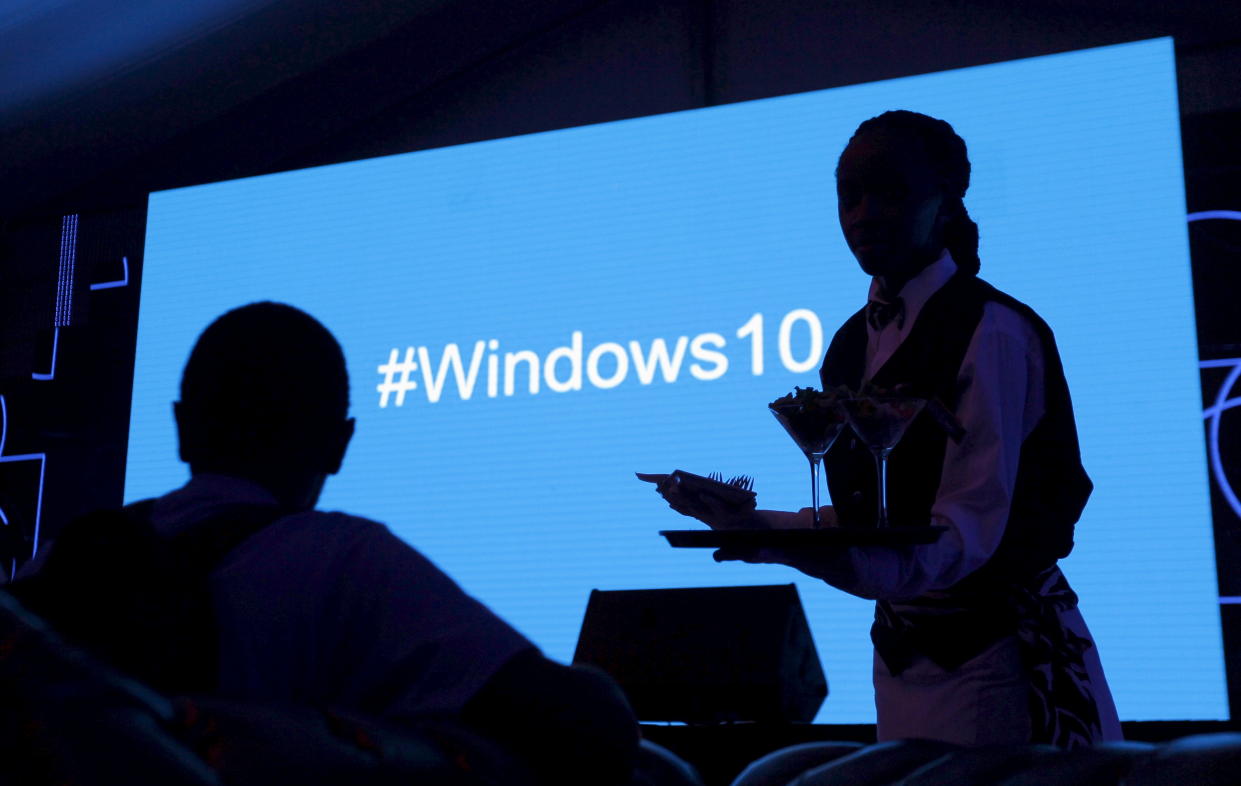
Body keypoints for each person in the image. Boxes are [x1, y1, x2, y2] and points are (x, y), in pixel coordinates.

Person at [25, 302, 638, 784]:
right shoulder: (346, 560)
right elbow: (588, 725)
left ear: (183, 428)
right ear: (340, 444)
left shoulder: (57, 561)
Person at [660, 110, 1122, 748]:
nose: (864, 214)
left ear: (946, 201)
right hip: (899, 662)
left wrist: (782, 541)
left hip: (996, 661)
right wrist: (750, 522)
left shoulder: (993, 332)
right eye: (850, 196)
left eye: (890, 192)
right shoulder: (850, 343)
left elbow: (964, 540)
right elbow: (862, 522)